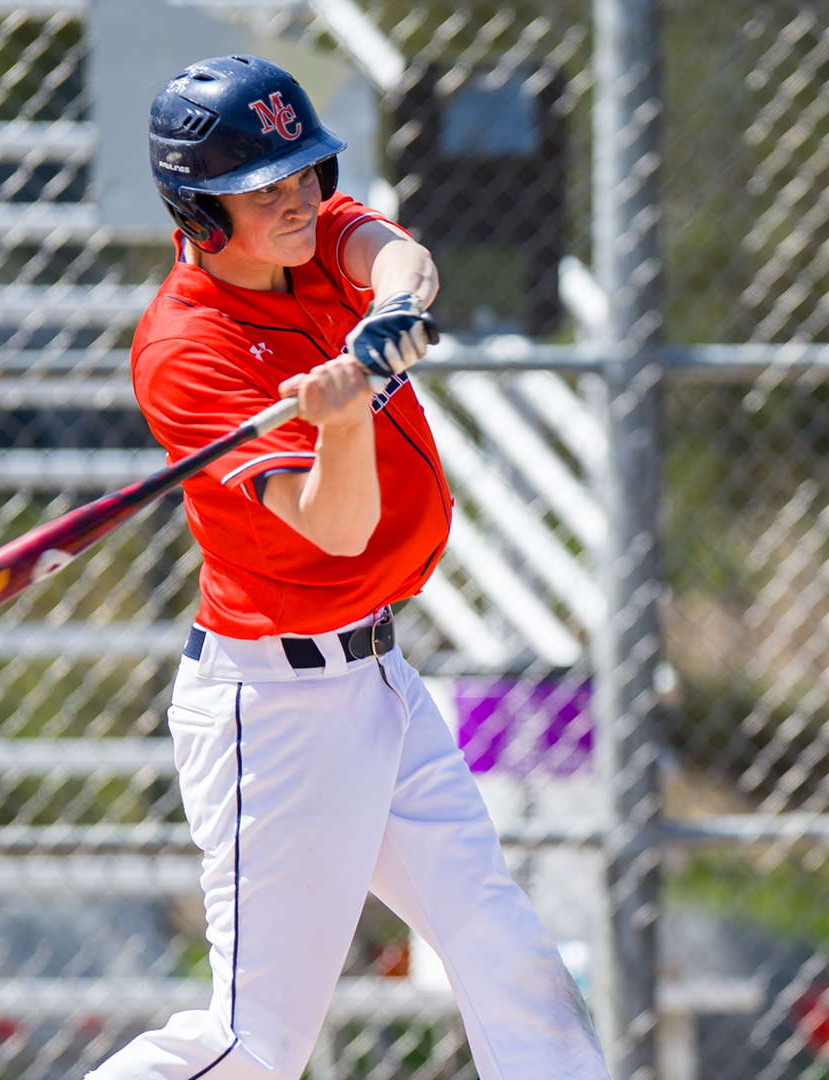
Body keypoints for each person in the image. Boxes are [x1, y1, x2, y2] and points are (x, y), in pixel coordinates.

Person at [85, 56, 608, 1080]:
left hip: (378, 679)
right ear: (200, 209)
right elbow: (339, 523)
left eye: (305, 175)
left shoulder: (310, 238)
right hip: (275, 712)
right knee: (252, 1044)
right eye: (265, 189)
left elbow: (399, 255)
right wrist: (340, 422)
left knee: (500, 944)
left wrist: (386, 318)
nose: (299, 202)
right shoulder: (189, 350)